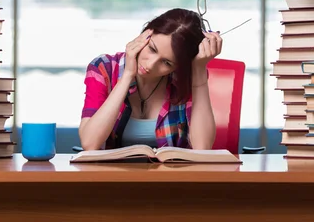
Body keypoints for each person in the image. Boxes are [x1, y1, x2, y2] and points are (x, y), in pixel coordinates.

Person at [79, 8, 222, 150]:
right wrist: (127, 75)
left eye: (167, 63)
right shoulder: (104, 67)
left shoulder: (185, 78)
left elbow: (202, 148)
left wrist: (199, 71)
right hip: (113, 173)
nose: (150, 65)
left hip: (171, 172)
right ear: (147, 32)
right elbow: (90, 143)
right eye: (152, 49)